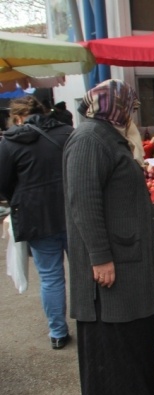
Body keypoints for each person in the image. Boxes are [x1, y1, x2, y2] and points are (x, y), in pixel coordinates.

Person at [63, 79, 154, 395]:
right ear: (114, 105)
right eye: (130, 106)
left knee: (136, 329)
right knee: (116, 333)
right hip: (114, 259)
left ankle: (140, 393)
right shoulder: (89, 139)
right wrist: (100, 257)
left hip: (130, 254)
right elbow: (84, 204)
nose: (133, 112)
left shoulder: (108, 135)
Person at [0, 95, 73, 349]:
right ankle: (93, 324)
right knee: (85, 270)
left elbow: (3, 184)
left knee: (51, 277)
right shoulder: (66, 132)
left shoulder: (10, 142)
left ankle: (58, 333)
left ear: (18, 118)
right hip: (73, 211)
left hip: (36, 217)